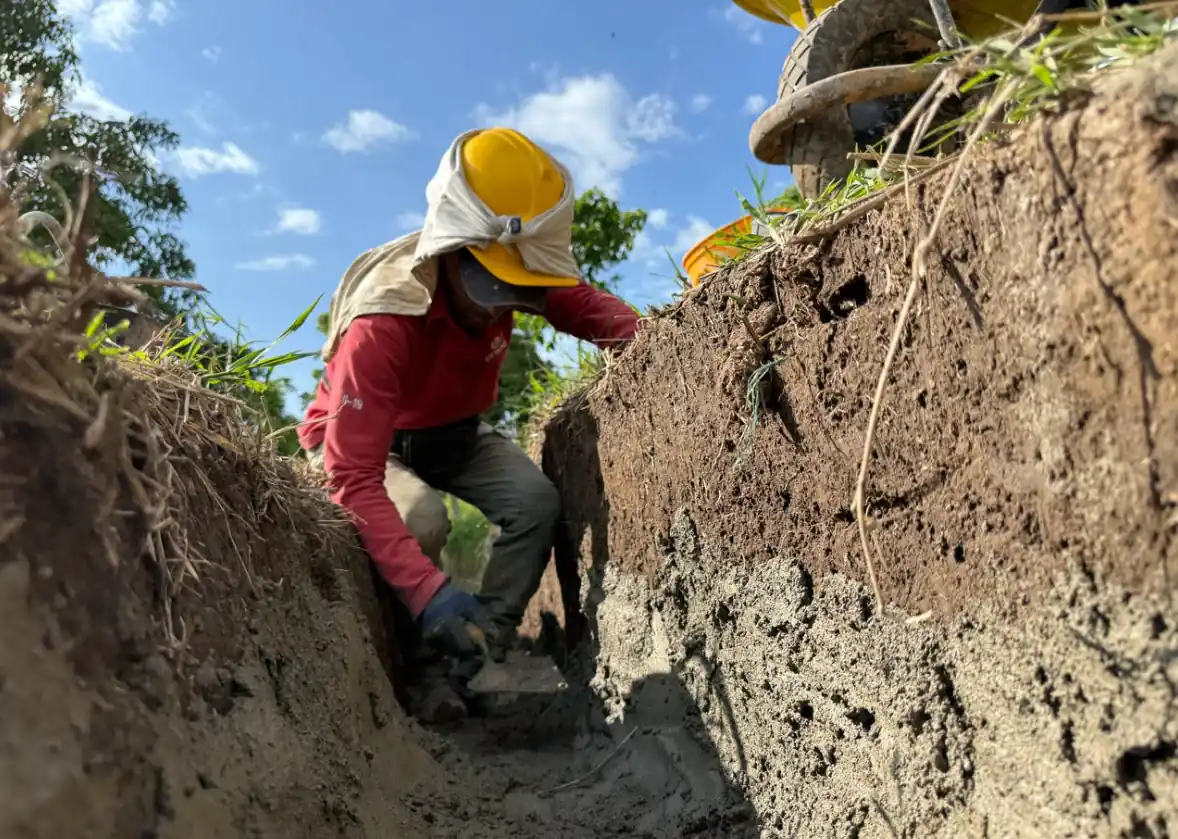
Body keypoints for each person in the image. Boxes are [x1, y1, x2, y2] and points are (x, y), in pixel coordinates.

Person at [298, 127, 640, 723]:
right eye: (492, 284)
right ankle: (416, 664)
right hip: (371, 445)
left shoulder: (511, 273)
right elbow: (351, 474)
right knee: (420, 517)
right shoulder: (384, 320)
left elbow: (581, 305)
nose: (501, 304)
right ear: (454, 249)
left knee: (534, 503)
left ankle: (482, 648)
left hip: (452, 432)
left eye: (516, 288)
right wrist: (431, 595)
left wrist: (663, 339)